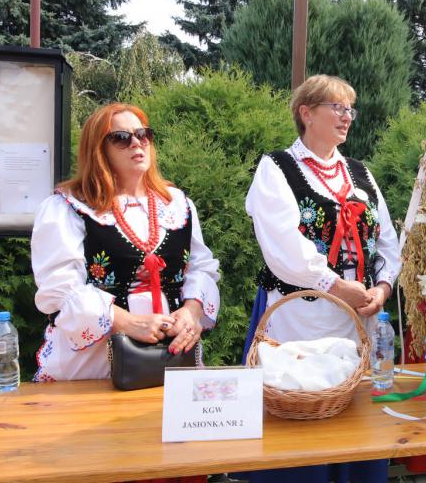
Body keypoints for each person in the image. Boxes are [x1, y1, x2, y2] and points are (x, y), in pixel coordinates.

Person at [239, 74, 401, 483]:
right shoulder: (277, 168)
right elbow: (282, 244)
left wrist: (382, 288)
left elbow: (387, 240)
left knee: (355, 423)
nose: (347, 117)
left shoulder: (360, 173)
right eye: (337, 107)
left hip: (358, 317)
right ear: (306, 113)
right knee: (301, 415)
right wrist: (335, 285)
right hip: (300, 317)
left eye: (350, 109)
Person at [31, 103, 221, 383]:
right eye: (121, 138)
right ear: (98, 150)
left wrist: (191, 313)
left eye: (143, 134)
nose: (136, 143)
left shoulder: (177, 204)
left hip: (169, 357)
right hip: (96, 362)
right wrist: (129, 323)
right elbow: (60, 290)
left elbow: (201, 268)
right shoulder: (68, 207)